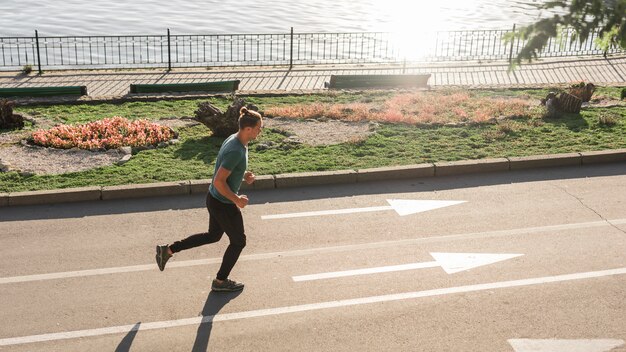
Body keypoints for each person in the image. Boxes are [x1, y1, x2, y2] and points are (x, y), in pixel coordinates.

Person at [156, 106, 263, 292]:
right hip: (223, 203)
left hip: (214, 198)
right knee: (238, 242)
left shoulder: (236, 140)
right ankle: (220, 281)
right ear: (248, 129)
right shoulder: (236, 150)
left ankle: (168, 250)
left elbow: (227, 170)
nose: (260, 130)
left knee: (213, 236)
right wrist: (237, 199)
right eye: (259, 127)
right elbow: (219, 181)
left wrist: (243, 175)